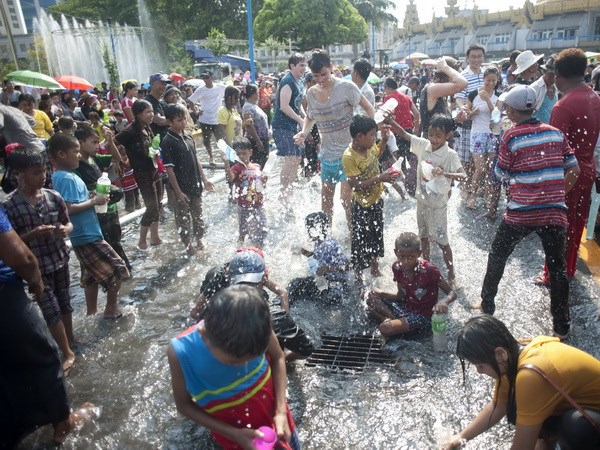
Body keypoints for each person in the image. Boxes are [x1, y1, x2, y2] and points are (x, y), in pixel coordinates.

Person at [478, 84, 580, 338]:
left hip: (521, 213)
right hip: (554, 213)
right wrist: (554, 195)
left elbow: (499, 174)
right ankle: (561, 326)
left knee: (498, 254)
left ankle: (487, 305)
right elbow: (574, 170)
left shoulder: (511, 136)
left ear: (511, 112)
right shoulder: (556, 133)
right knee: (557, 269)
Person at [0, 206, 94, 448]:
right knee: (44, 355)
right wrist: (36, 279)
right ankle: (64, 421)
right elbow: (22, 257)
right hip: (5, 295)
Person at [168, 284, 301, 450]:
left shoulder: (256, 321)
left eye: (252, 359)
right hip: (233, 436)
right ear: (204, 335)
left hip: (277, 417)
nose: (242, 368)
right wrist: (234, 434)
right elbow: (184, 405)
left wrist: (280, 411)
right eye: (233, 362)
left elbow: (278, 357)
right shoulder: (181, 352)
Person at [441, 315, 600, 450]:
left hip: (590, 418)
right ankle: (548, 440)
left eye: (480, 365)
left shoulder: (530, 374)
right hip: (581, 406)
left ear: (500, 354)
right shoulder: (513, 356)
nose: (479, 371)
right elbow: (499, 405)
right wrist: (461, 437)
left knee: (575, 428)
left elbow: (522, 448)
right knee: (515, 405)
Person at [3, 145, 76, 373]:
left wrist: (65, 230)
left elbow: (68, 222)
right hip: (37, 268)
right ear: (18, 174)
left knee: (65, 303)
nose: (43, 176)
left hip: (60, 259)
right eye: (36, 172)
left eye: (44, 171)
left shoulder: (53, 196)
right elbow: (10, 245)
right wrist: (33, 234)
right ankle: (66, 352)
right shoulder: (9, 205)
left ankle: (71, 340)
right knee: (50, 309)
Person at [47, 132, 129, 319]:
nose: (78, 155)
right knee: (118, 268)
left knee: (91, 277)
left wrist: (91, 198)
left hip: (85, 233)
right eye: (75, 151)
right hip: (85, 235)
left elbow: (74, 202)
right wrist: (94, 202)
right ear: (61, 154)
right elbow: (69, 208)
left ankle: (92, 312)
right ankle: (111, 309)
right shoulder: (66, 178)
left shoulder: (63, 176)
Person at [539, 48, 600, 286]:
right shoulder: (594, 97)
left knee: (556, 226)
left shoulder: (563, 106)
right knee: (576, 225)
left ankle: (552, 275)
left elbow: (554, 152)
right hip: (587, 169)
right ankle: (568, 268)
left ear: (557, 75)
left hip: (568, 174)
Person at [296, 49, 376, 227]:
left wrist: (368, 138)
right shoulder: (311, 93)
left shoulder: (347, 87)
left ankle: (352, 238)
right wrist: (304, 132)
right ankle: (327, 239)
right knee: (326, 201)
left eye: (324, 74)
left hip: (349, 154)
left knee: (346, 200)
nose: (321, 79)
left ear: (331, 67)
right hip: (327, 155)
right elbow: (310, 117)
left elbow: (369, 109)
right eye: (316, 76)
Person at [390, 114, 465, 287]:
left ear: (448, 135)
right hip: (422, 202)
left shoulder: (450, 155)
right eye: (431, 134)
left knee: (442, 240)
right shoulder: (424, 145)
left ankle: (452, 273)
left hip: (438, 206)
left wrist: (446, 173)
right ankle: (426, 266)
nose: (433, 139)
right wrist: (391, 121)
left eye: (438, 135)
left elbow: (463, 176)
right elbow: (404, 134)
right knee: (423, 236)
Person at [367, 232, 456, 338]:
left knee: (385, 328)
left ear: (419, 253)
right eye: (402, 256)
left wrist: (443, 301)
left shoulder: (429, 270)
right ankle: (392, 319)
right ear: (396, 253)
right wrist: (380, 293)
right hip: (407, 306)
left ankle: (391, 323)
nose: (406, 261)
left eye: (411, 257)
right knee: (369, 297)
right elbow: (401, 296)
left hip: (423, 316)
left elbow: (452, 293)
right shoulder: (397, 267)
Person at [342, 115, 398, 281]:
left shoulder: (368, 146)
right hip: (361, 205)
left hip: (375, 200)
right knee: (360, 239)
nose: (375, 138)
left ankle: (374, 267)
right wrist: (380, 178)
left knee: (376, 234)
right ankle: (359, 274)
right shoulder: (349, 156)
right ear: (360, 136)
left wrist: (385, 139)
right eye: (373, 135)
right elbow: (356, 185)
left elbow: (376, 152)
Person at [73, 123, 131, 273]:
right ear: (80, 143)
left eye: (98, 141)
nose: (97, 145)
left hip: (110, 207)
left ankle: (122, 271)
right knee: (107, 243)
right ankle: (118, 271)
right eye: (93, 142)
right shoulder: (77, 166)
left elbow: (117, 158)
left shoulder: (95, 158)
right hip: (97, 210)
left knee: (116, 240)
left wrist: (110, 142)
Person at [162, 103, 215, 255]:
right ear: (170, 122)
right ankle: (188, 245)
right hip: (181, 188)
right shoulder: (168, 141)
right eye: (179, 120)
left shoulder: (188, 136)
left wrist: (205, 180)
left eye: (184, 119)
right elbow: (169, 170)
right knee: (183, 218)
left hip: (195, 184)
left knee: (198, 214)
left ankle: (199, 239)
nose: (183, 122)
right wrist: (178, 192)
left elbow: (196, 159)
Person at [114, 99, 163, 249]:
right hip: (142, 173)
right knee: (151, 206)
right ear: (138, 114)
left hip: (153, 169)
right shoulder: (130, 131)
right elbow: (111, 143)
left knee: (158, 202)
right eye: (148, 112)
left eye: (152, 111)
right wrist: (119, 161)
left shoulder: (147, 127)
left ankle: (155, 237)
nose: (151, 114)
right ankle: (142, 241)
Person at [288, 211, 350, 304]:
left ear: (320, 229)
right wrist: (302, 251)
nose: (308, 231)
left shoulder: (330, 244)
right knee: (295, 283)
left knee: (332, 297)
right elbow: (316, 256)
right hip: (324, 280)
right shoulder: (319, 241)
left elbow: (348, 266)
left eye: (310, 228)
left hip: (336, 282)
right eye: (308, 228)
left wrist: (328, 269)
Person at [271, 53, 307, 202]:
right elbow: (284, 107)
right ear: (292, 66)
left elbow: (297, 104)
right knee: (291, 158)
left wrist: (304, 116)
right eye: (301, 65)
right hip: (282, 126)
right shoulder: (287, 81)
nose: (304, 68)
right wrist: (300, 120)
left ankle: (289, 190)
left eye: (305, 65)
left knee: (297, 158)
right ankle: (283, 194)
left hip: (293, 125)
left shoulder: (300, 81)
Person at [464, 66, 500, 211]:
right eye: (488, 80)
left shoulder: (498, 97)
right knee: (479, 168)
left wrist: (488, 101)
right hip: (477, 133)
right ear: (483, 79)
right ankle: (472, 196)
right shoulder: (474, 94)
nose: (490, 83)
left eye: (494, 81)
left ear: (497, 81)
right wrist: (473, 111)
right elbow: (467, 116)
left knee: (490, 169)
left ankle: (486, 196)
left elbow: (497, 117)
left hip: (492, 134)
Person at [222, 138, 267, 247]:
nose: (241, 156)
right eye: (238, 154)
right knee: (243, 232)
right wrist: (226, 164)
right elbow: (230, 178)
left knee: (263, 230)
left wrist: (264, 180)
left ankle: (258, 250)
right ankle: (239, 250)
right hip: (243, 206)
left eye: (244, 153)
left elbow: (261, 186)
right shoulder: (236, 168)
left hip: (258, 205)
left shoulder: (257, 167)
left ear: (250, 152)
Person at [455, 44, 486, 199]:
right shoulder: (464, 76)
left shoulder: (487, 74)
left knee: (480, 158)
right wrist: (465, 109)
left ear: (483, 57)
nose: (476, 59)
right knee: (466, 158)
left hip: (484, 123)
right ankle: (465, 188)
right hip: (468, 122)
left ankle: (476, 187)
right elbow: (459, 98)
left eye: (479, 56)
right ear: (467, 58)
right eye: (473, 56)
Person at [188, 70, 227, 165]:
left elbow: (231, 92)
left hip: (217, 119)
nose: (205, 79)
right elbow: (190, 101)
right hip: (205, 119)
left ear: (211, 77)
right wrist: (196, 112)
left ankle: (225, 156)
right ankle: (211, 157)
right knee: (206, 140)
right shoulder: (200, 90)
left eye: (207, 77)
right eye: (204, 78)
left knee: (221, 140)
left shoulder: (220, 87)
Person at [242, 83, 270, 169]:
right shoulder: (247, 107)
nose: (259, 94)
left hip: (262, 139)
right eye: (257, 92)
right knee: (257, 165)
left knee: (263, 163)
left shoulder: (254, 105)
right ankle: (256, 182)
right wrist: (258, 141)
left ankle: (260, 181)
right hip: (255, 141)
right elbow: (249, 125)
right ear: (253, 94)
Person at [531, 57, 558, 124]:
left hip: (551, 128)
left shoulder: (556, 87)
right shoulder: (535, 88)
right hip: (536, 129)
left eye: (556, 75)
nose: (553, 78)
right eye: (551, 75)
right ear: (544, 72)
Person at [144, 73, 170, 140]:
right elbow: (160, 121)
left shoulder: (162, 101)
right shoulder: (148, 101)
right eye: (162, 83)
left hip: (165, 139)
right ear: (152, 84)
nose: (164, 87)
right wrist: (175, 119)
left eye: (165, 84)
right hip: (155, 141)